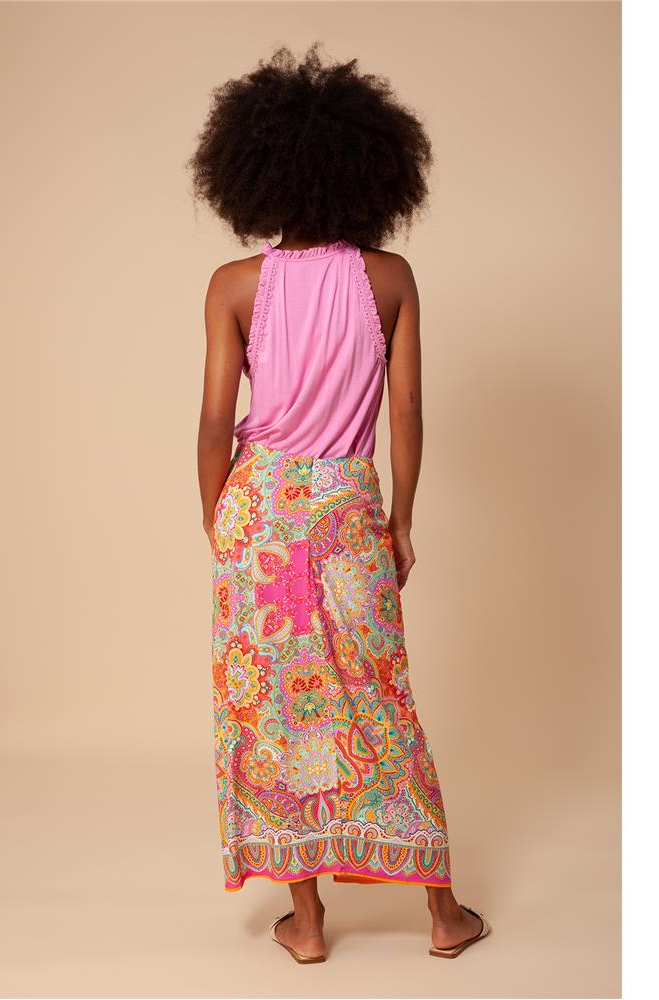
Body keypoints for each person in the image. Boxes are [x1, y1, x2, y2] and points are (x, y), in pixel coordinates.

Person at [190, 42, 491, 962]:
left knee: (274, 709)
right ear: (368, 169)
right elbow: (409, 409)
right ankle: (443, 916)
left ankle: (309, 924)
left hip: (259, 513)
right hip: (347, 511)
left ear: (255, 174)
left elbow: (215, 420)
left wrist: (217, 518)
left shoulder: (235, 286)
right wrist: (401, 521)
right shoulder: (388, 278)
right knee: (379, 699)